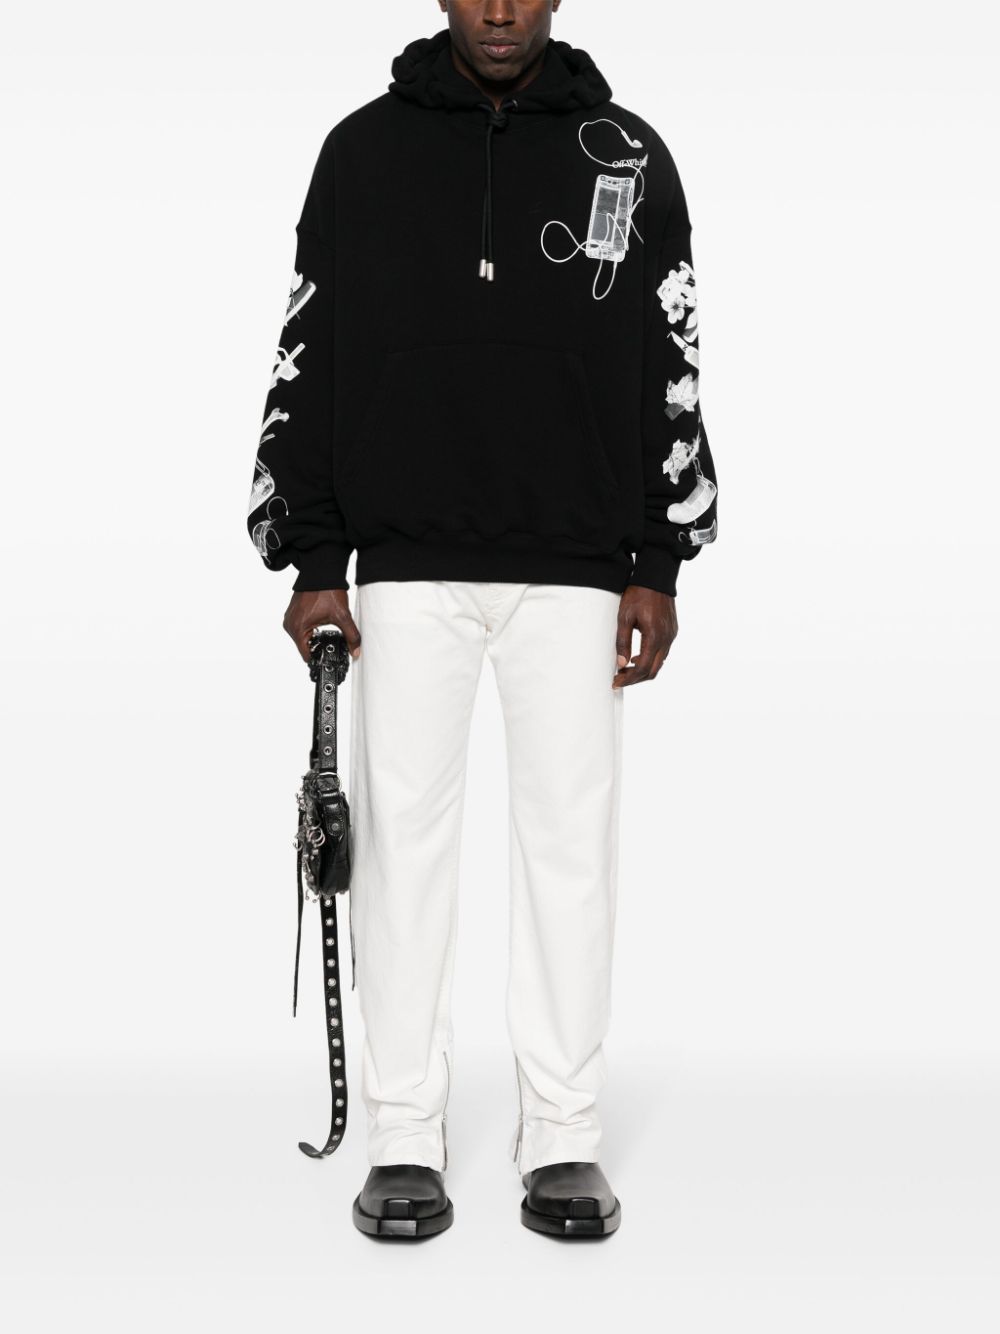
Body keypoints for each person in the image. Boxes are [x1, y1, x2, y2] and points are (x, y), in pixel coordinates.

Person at [247, 0, 718, 1240]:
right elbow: (308, 343)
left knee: (570, 848)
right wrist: (312, 554)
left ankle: (562, 1134)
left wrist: (660, 556)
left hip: (577, 559)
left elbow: (669, 353)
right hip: (407, 558)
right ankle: (405, 1133)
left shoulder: (628, 154)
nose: (500, 8)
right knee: (401, 849)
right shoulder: (361, 151)